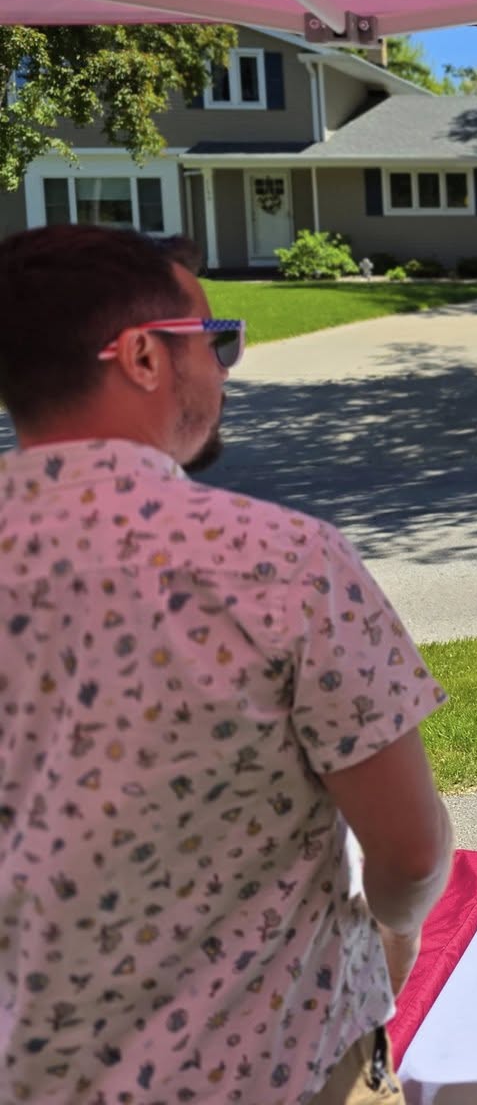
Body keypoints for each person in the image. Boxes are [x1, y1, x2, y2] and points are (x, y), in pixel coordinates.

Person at [0, 225, 452, 1105]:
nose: (224, 367)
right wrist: (393, 936)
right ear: (141, 358)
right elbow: (408, 850)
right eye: (215, 340)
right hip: (274, 1069)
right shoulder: (282, 563)